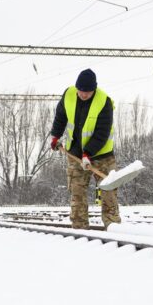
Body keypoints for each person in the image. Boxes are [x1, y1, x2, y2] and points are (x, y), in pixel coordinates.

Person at [49, 68, 121, 229]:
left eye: (87, 92)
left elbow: (102, 133)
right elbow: (60, 116)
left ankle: (113, 227)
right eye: (81, 91)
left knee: (109, 192)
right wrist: (55, 136)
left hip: (103, 155)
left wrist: (88, 153)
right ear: (77, 87)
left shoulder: (104, 102)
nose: (83, 95)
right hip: (75, 153)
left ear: (94, 89)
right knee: (77, 193)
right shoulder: (68, 94)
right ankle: (80, 228)